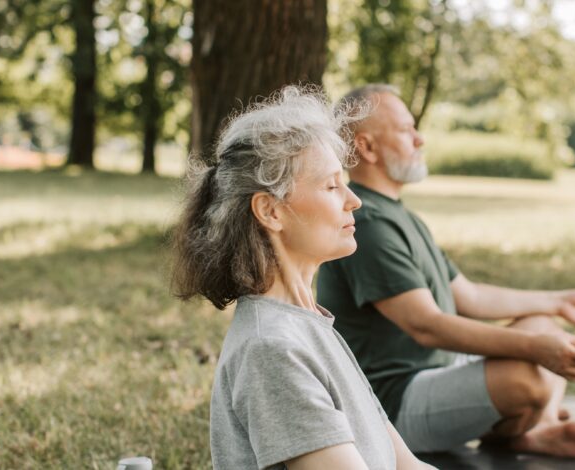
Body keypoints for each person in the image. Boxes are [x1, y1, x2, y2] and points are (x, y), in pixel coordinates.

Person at [317, 84, 575, 458]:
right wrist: (535, 349)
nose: (420, 139)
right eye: (406, 130)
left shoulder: (399, 215)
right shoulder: (369, 224)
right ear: (367, 147)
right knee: (529, 377)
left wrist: (558, 302)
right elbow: (425, 326)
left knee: (543, 325)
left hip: (437, 372)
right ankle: (530, 426)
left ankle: (533, 431)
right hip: (392, 403)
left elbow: (469, 296)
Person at [171, 86, 433, 470]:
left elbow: (406, 464)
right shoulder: (272, 349)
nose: (353, 200)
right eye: (331, 185)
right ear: (270, 211)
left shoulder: (310, 325)